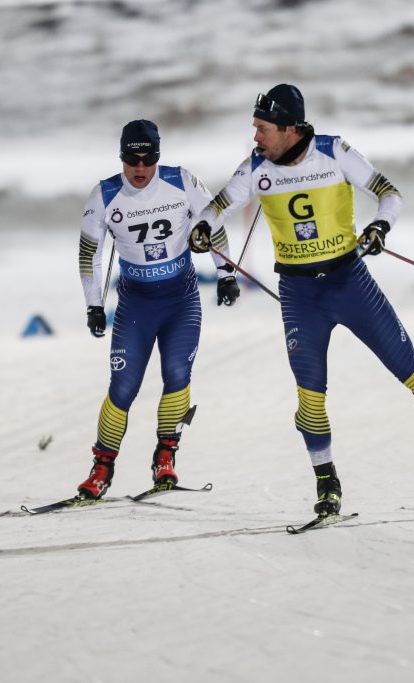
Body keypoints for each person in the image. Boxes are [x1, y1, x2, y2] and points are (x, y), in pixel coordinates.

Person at [188, 84, 414, 516]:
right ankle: (327, 483)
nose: (255, 137)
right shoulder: (255, 166)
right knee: (310, 397)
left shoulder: (334, 151)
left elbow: (390, 194)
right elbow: (216, 207)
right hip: (300, 295)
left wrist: (379, 228)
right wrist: (201, 229)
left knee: (410, 370)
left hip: (349, 283)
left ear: (289, 128)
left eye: (262, 128)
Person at [76, 119, 240, 498]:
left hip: (181, 299)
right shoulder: (104, 195)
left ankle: (165, 458)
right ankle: (102, 468)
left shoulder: (181, 181)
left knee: (177, 374)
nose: (139, 168)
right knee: (123, 387)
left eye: (147, 159)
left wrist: (225, 273)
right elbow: (90, 255)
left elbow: (212, 223)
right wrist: (94, 306)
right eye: (131, 159)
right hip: (136, 302)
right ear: (121, 158)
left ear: (157, 157)